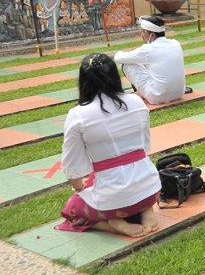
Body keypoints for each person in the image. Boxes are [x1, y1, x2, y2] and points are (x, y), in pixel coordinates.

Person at [57, 53, 161, 237]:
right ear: (114, 76)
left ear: (83, 82)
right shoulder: (136, 101)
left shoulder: (77, 114)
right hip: (151, 189)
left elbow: (72, 168)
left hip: (114, 201)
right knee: (130, 184)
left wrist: (80, 188)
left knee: (72, 209)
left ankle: (110, 224)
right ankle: (146, 210)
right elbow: (144, 147)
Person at [114, 16, 187, 105]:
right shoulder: (176, 43)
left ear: (152, 35)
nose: (141, 35)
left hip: (157, 97)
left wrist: (128, 53)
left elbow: (118, 58)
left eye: (143, 32)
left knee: (128, 64)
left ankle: (140, 93)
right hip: (179, 93)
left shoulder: (148, 49)